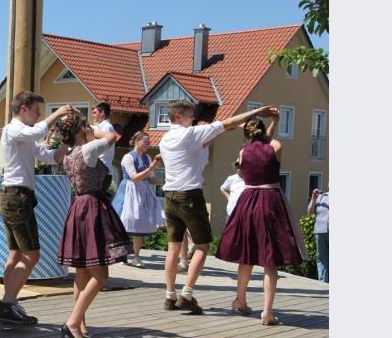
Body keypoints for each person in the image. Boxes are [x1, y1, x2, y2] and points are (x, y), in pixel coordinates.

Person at [159, 100, 276, 314]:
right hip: (189, 196)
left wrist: (230, 127)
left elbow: (215, 134)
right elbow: (226, 123)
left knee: (173, 247)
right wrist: (259, 111)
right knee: (202, 246)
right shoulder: (190, 134)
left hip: (169, 196)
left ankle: (169, 296)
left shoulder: (165, 139)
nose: (192, 118)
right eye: (189, 115)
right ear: (178, 117)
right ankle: (187, 294)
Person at [216, 116, 306, 325]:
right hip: (271, 201)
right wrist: (275, 121)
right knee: (270, 260)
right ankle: (267, 311)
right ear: (264, 131)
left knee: (246, 256)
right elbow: (268, 144)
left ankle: (240, 300)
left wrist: (256, 127)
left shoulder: (243, 152)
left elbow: (258, 145)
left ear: (247, 134)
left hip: (247, 202)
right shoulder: (276, 146)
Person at [0, 91, 72, 325]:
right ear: (24, 109)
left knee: (15, 254)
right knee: (32, 254)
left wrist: (66, 144)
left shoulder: (24, 135)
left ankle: (9, 303)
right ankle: (8, 303)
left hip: (14, 196)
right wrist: (57, 114)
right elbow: (37, 132)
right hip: (16, 197)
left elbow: (51, 157)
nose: (39, 115)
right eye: (37, 110)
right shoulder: (14, 129)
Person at [55, 112, 130, 338]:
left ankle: (80, 325)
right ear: (80, 131)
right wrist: (92, 131)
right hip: (92, 209)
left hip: (78, 207)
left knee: (82, 273)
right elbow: (112, 136)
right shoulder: (87, 150)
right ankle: (73, 323)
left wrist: (83, 130)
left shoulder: (69, 156)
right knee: (100, 275)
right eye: (85, 126)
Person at [115, 131, 164, 268]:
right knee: (124, 220)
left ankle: (136, 257)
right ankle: (122, 252)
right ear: (137, 141)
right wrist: (151, 168)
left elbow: (149, 179)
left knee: (140, 223)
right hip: (129, 190)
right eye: (145, 142)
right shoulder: (128, 157)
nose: (148, 144)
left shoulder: (147, 157)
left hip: (142, 192)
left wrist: (161, 180)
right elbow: (134, 177)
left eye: (149, 142)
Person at [90, 102, 119, 194]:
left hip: (102, 171)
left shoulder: (107, 127)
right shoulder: (101, 127)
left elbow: (100, 147)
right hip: (100, 170)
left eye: (95, 112)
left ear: (102, 112)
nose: (93, 115)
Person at [307, 187, 329, 283]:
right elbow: (310, 211)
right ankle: (323, 283)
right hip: (320, 231)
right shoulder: (321, 196)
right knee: (321, 258)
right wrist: (313, 199)